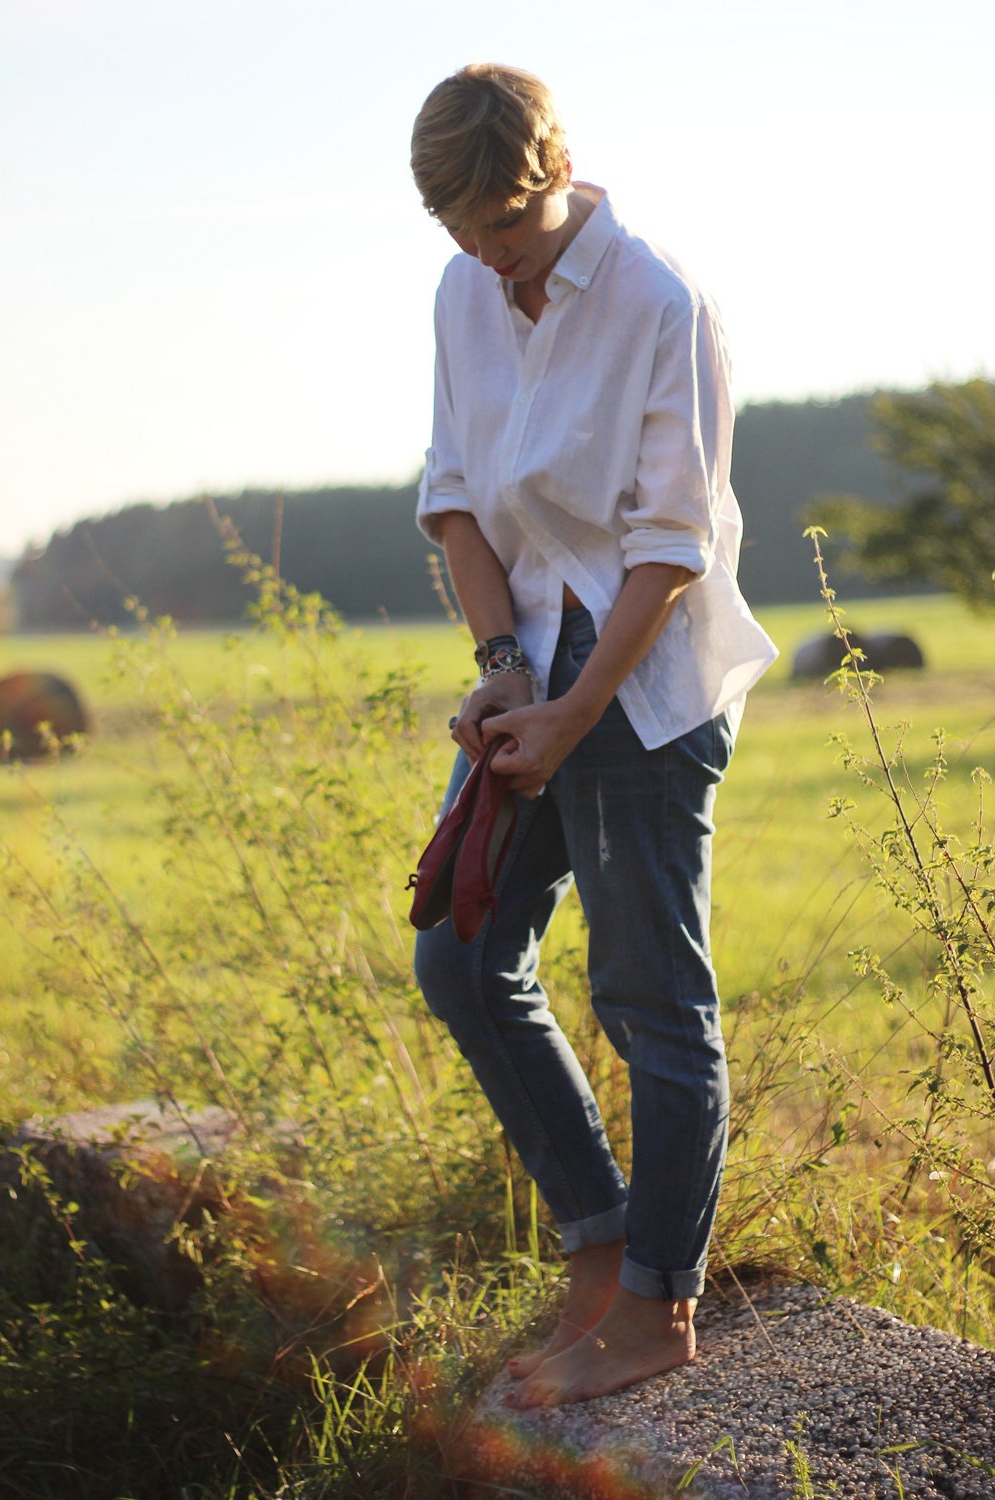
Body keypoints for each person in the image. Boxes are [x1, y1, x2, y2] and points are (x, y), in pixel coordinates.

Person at [409, 63, 777, 1408]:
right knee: (460, 956)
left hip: (644, 671)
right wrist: (506, 671)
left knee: (648, 1000)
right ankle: (600, 1248)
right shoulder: (461, 288)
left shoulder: (659, 303)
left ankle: (659, 1309)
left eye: (503, 231)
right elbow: (456, 495)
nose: (486, 260)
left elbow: (669, 546)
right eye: (459, 235)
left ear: (555, 169)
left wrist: (574, 710)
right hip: (540, 661)